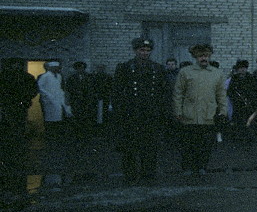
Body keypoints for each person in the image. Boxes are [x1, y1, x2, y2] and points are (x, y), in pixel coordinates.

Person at [111, 38, 169, 183]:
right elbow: (117, 92)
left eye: (148, 50)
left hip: (151, 114)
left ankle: (148, 174)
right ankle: (130, 175)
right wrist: (120, 112)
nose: (145, 53)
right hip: (131, 113)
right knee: (129, 147)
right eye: (142, 50)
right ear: (135, 50)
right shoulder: (125, 68)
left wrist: (161, 111)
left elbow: (164, 92)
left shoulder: (157, 68)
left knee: (150, 146)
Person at [173, 44, 227, 176]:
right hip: (189, 115)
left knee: (206, 144)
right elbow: (178, 93)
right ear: (195, 57)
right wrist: (178, 111)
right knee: (188, 143)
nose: (204, 58)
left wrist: (223, 111)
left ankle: (202, 166)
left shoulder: (217, 73)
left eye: (207, 55)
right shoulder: (185, 72)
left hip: (208, 115)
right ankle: (188, 167)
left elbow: (221, 94)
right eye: (201, 56)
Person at [0, 57, 38, 197]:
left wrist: (25, 100)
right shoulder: (5, 76)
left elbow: (33, 90)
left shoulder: (26, 77)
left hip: (19, 105)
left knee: (18, 125)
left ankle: (16, 143)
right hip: (8, 105)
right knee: (9, 125)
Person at [63, 62, 98, 139]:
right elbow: (68, 90)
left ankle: (86, 134)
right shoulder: (71, 78)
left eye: (82, 68)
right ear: (76, 69)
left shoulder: (90, 77)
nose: (80, 70)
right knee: (76, 117)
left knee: (87, 117)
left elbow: (93, 88)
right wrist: (68, 101)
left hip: (87, 101)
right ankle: (76, 134)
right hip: (75, 101)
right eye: (78, 68)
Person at [36, 60, 68, 138]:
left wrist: (63, 96)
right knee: (49, 118)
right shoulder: (45, 76)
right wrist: (48, 95)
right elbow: (40, 87)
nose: (56, 69)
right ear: (50, 68)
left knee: (58, 117)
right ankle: (49, 134)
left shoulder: (59, 76)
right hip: (48, 100)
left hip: (58, 99)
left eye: (57, 68)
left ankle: (57, 134)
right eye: (55, 68)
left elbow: (60, 88)